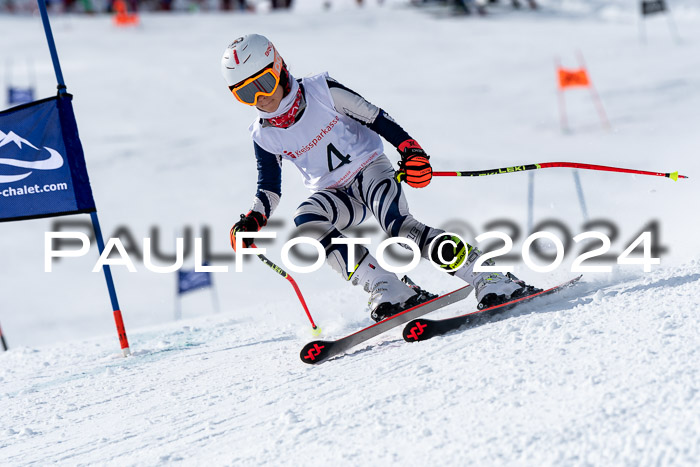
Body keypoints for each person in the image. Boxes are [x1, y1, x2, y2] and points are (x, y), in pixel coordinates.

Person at [222, 34, 539, 322]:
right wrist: (253, 220)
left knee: (399, 227)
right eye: (246, 93)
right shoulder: (264, 134)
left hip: (370, 169)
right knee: (307, 220)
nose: (261, 98)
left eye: (263, 82)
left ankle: (490, 276)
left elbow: (376, 117)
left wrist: (411, 152)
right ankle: (387, 288)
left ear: (278, 67)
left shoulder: (322, 91)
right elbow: (269, 186)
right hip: (336, 196)